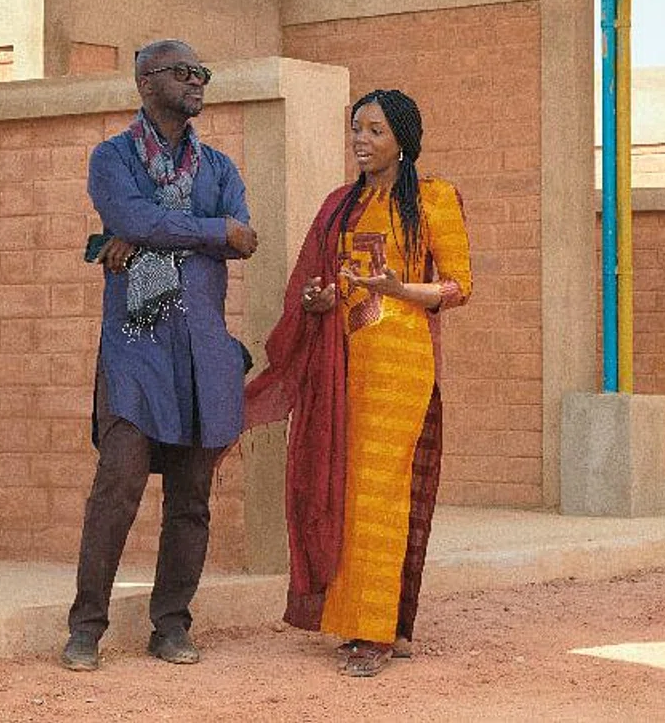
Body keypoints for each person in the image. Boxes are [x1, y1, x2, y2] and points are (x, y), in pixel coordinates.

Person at [245, 88, 472, 678]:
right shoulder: (339, 205)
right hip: (342, 365)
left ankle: (378, 632)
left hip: (399, 366)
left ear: (402, 137)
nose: (361, 142)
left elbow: (457, 287)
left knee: (379, 492)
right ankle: (365, 623)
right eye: (355, 130)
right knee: (345, 490)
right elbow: (323, 285)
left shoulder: (433, 199)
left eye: (374, 131)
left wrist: (400, 290)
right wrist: (319, 300)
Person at [62, 40, 259, 672]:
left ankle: (171, 624)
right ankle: (86, 627)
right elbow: (132, 214)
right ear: (147, 83)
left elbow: (245, 237)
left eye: (204, 71)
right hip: (136, 353)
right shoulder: (112, 158)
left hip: (203, 353)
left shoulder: (219, 167)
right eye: (184, 72)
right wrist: (202, 232)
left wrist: (148, 234)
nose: (198, 80)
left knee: (191, 500)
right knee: (116, 486)